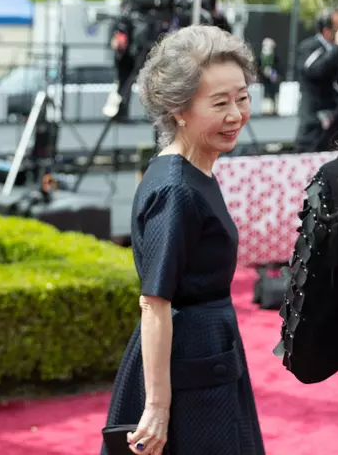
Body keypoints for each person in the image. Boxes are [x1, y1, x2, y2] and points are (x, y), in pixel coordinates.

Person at [101, 25, 265, 455]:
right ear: (179, 110)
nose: (236, 114)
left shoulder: (195, 171)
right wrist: (157, 406)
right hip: (190, 372)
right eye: (220, 103)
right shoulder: (175, 189)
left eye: (242, 98)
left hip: (208, 357)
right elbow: (155, 302)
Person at [294, 8, 338, 152]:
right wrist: (337, 47)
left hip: (335, 122)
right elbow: (314, 70)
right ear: (327, 30)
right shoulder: (310, 47)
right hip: (315, 126)